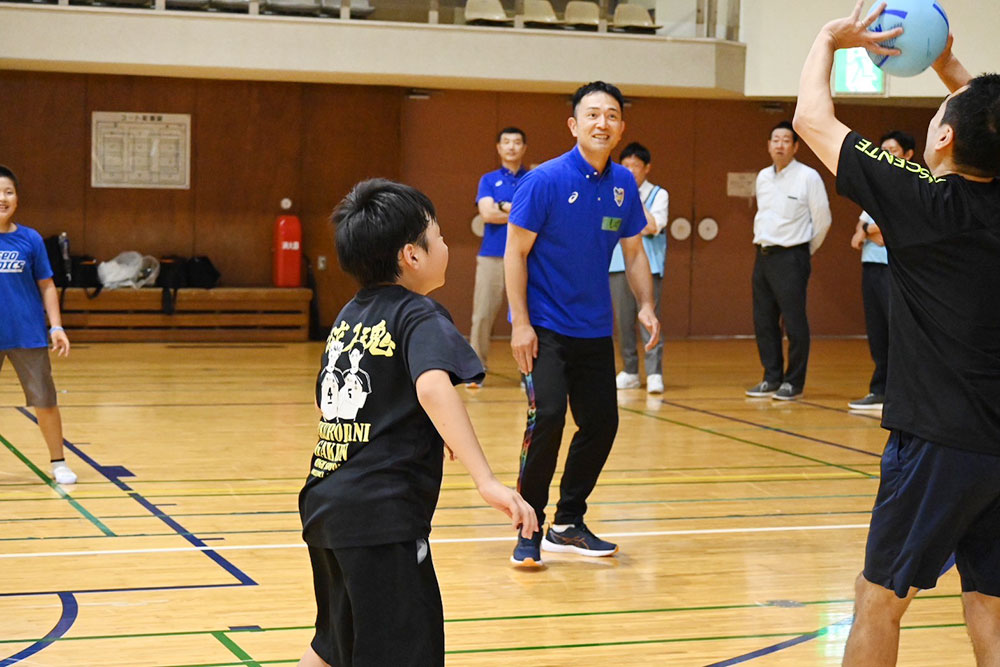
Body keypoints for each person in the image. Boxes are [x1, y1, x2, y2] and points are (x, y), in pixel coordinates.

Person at [794, 3, 1000, 664]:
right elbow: (984, 120)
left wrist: (831, 38)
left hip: (940, 443)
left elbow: (811, 120)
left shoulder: (922, 200)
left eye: (941, 113)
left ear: (942, 140)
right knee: (991, 603)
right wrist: (947, 65)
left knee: (877, 597)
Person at [297, 179, 537, 667]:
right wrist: (486, 480)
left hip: (326, 503)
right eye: (440, 236)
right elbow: (432, 387)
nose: (446, 245)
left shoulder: (348, 317)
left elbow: (328, 405)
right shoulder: (418, 313)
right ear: (412, 255)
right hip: (380, 519)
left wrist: (421, 426)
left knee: (332, 645)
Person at [505, 81, 660, 566]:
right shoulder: (545, 180)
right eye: (592, 114)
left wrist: (646, 306)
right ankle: (529, 525)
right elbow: (516, 252)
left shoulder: (622, 187)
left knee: (602, 424)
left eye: (611, 116)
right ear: (574, 125)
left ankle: (568, 522)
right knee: (547, 416)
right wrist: (520, 324)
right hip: (546, 327)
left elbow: (634, 253)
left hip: (594, 329)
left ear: (620, 128)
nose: (602, 123)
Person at [745, 120, 832, 401]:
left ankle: (793, 382)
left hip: (792, 256)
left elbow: (823, 220)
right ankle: (771, 377)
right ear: (769, 145)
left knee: (794, 323)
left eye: (786, 140)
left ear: (795, 146)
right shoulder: (762, 177)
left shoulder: (809, 177)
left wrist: (803, 252)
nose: (780, 144)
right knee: (764, 321)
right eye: (775, 139)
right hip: (763, 254)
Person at [0, 165, 76, 486]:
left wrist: (56, 326)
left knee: (45, 400)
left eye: (8, 192)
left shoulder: (30, 239)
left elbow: (46, 285)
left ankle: (58, 462)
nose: (3, 198)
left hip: (26, 334)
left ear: (17, 197)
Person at [847, 130, 915, 411]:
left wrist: (869, 230)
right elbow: (859, 233)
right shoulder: (875, 187)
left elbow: (890, 233)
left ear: (908, 155)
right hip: (870, 266)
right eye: (883, 149)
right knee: (876, 332)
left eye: (893, 150)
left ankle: (902, 394)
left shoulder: (910, 185)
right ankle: (879, 390)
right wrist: (867, 229)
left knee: (896, 330)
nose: (886, 154)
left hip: (894, 268)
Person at [467, 127, 528, 386]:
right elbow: (488, 214)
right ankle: (474, 369)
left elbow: (538, 215)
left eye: (517, 142)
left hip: (526, 257)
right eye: (506, 142)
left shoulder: (533, 178)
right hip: (492, 255)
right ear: (499, 148)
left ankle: (528, 371)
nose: (512, 147)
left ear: (524, 147)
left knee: (525, 314)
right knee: (482, 314)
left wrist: (503, 206)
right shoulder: (489, 179)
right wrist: (516, 212)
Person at [609, 141, 669, 394]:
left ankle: (654, 373)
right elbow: (610, 225)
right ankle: (630, 371)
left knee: (648, 319)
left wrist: (632, 198)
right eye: (626, 166)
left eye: (635, 166)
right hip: (617, 264)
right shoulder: (611, 193)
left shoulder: (658, 194)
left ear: (647, 168)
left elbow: (653, 226)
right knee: (623, 322)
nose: (630, 171)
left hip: (649, 267)